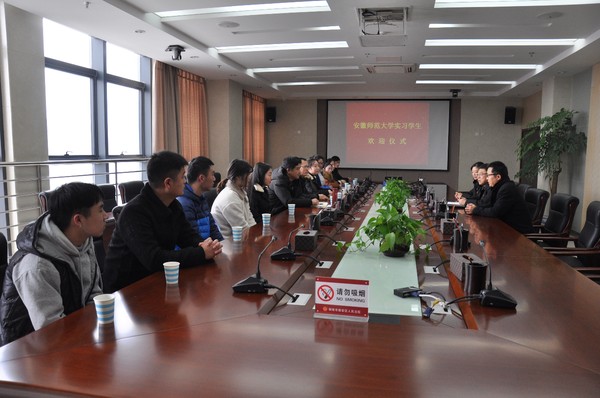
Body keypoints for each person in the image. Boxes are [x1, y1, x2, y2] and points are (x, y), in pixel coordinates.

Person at [0, 182, 107, 346]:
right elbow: (51, 333)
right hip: (27, 353)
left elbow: (94, 296)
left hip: (72, 335)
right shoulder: (37, 265)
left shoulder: (83, 242)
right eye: (100, 210)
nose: (106, 215)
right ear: (78, 220)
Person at [102, 151, 222, 293]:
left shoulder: (173, 205)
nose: (186, 181)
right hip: (126, 291)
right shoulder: (134, 213)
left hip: (156, 281)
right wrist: (201, 253)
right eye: (183, 177)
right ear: (168, 183)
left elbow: (187, 236)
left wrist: (204, 244)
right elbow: (154, 259)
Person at [465, 161, 534, 234]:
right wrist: (473, 207)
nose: (487, 179)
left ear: (498, 177)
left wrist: (475, 210)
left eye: (488, 175)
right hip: (507, 229)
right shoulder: (498, 187)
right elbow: (488, 204)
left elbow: (495, 212)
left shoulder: (507, 189)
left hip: (519, 235)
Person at [176, 156, 224, 241]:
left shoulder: (201, 198)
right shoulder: (185, 204)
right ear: (201, 178)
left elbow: (213, 229)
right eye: (212, 174)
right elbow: (192, 241)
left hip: (207, 250)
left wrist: (222, 245)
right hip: (198, 251)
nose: (214, 178)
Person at [211, 159, 257, 237]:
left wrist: (257, 233)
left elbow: (250, 219)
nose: (250, 178)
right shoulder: (230, 198)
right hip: (228, 243)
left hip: (239, 239)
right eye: (248, 175)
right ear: (238, 177)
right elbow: (243, 229)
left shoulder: (241, 192)